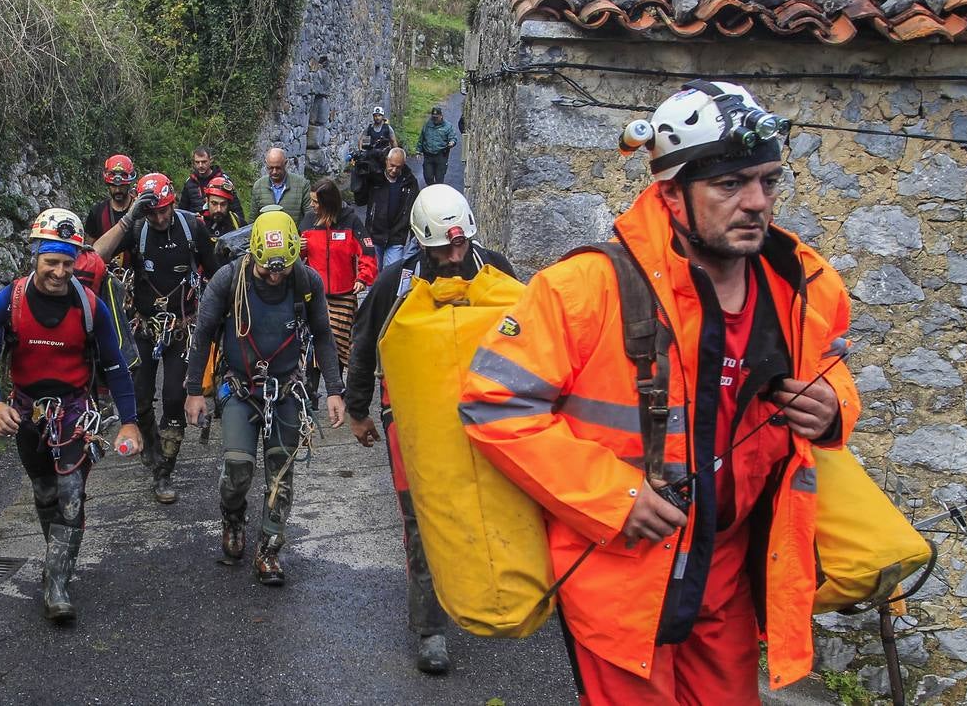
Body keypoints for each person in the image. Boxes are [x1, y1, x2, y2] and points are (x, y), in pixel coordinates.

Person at [460, 80, 860, 704]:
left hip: (729, 575)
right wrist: (617, 497)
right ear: (672, 193)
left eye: (768, 181)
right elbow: (494, 403)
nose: (756, 202)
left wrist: (834, 408)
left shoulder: (802, 285)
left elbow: (832, 368)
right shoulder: (584, 288)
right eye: (730, 185)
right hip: (623, 574)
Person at [345, 185, 516, 675]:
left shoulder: (496, 272)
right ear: (421, 241)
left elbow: (529, 332)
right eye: (444, 248)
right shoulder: (396, 284)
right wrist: (358, 411)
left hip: (482, 411)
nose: (455, 256)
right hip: (412, 414)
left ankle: (495, 590)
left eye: (461, 245)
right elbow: (364, 347)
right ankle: (431, 628)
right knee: (420, 519)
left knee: (490, 501)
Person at [0, 208, 142, 622]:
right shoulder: (7, 302)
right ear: (35, 258)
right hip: (27, 411)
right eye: (52, 262)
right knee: (45, 492)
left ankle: (57, 583)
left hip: (74, 412)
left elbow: (116, 366)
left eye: (68, 263)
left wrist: (131, 420)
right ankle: (58, 559)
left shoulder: (90, 307)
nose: (60, 272)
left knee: (70, 494)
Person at [184, 210, 347, 585]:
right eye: (267, 268)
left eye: (283, 269)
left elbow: (323, 334)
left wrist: (334, 390)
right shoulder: (229, 280)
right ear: (254, 254)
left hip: (286, 388)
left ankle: (269, 550)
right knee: (238, 469)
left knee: (280, 475)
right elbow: (204, 332)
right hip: (240, 386)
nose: (275, 275)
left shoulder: (305, 281)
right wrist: (195, 392)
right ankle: (233, 516)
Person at [94, 173, 219, 504]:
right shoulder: (137, 228)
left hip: (182, 327)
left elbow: (217, 274)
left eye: (164, 210)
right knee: (139, 397)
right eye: (153, 212)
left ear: (173, 202)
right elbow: (94, 257)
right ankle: (152, 447)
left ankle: (164, 472)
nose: (160, 218)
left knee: (174, 396)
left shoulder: (193, 228)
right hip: (144, 325)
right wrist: (131, 216)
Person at [300, 178, 377, 400]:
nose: (312, 205)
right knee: (315, 342)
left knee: (339, 344)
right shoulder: (307, 221)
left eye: (316, 201)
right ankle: (311, 393)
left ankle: (337, 388)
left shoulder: (350, 221)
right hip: (316, 296)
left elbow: (368, 252)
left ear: (327, 202)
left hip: (344, 295)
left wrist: (363, 277)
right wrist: (298, 248)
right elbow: (294, 257)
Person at [355, 146, 419, 269]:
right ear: (386, 161)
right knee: (373, 273)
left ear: (403, 165)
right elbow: (360, 200)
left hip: (397, 236)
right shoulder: (376, 178)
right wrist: (360, 179)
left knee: (392, 275)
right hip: (375, 234)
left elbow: (414, 209)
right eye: (392, 165)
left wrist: (413, 236)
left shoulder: (410, 182)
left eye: (398, 167)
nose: (394, 170)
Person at [83, 154, 138, 249]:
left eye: (122, 186)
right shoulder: (97, 213)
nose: (117, 190)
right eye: (113, 186)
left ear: (129, 184)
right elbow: (89, 249)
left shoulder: (139, 210)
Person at [180, 147, 245, 221]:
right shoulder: (190, 182)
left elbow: (236, 208)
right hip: (197, 226)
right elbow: (182, 210)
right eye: (197, 162)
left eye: (204, 162)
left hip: (221, 224)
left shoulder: (223, 180)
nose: (200, 165)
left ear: (210, 160)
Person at [249, 147, 309, 225]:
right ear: (266, 164)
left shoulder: (302, 185)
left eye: (278, 168)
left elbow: (309, 215)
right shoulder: (258, 186)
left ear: (286, 163)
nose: (274, 172)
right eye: (271, 168)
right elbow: (253, 219)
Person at [198, 176, 244, 267]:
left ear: (229, 204)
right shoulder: (197, 224)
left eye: (223, 204)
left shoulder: (238, 223)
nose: (218, 209)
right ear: (207, 201)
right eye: (214, 203)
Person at [416, 105, 459, 187]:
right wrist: (418, 150)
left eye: (436, 117)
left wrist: (452, 142)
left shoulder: (447, 126)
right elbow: (422, 138)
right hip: (428, 155)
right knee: (428, 176)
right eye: (433, 117)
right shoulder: (427, 125)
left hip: (441, 155)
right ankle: (431, 188)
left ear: (441, 116)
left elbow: (453, 137)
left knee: (439, 178)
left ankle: (437, 193)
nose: (434, 119)